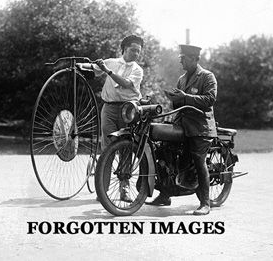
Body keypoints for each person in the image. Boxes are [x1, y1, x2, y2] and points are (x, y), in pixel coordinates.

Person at [146, 44, 217, 215]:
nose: (181, 62)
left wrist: (186, 97)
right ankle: (165, 195)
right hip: (182, 125)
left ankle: (205, 203)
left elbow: (210, 99)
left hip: (200, 127)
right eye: (180, 59)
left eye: (183, 59)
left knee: (198, 160)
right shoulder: (182, 78)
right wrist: (174, 98)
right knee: (165, 153)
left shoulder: (207, 76)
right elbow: (179, 103)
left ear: (194, 59)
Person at [78, 34, 144, 201]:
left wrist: (107, 71)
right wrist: (77, 65)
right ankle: (103, 189)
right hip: (108, 108)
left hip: (127, 111)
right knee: (107, 148)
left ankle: (124, 188)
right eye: (132, 50)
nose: (135, 54)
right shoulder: (111, 62)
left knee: (125, 148)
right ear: (124, 49)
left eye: (138, 51)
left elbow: (126, 83)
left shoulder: (137, 69)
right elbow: (92, 68)